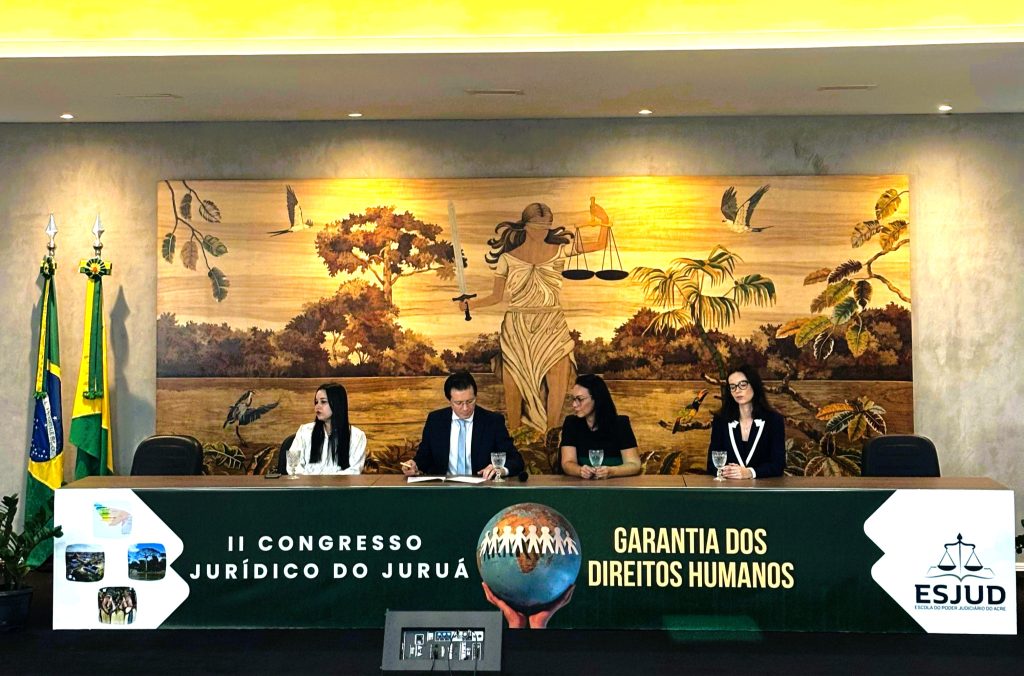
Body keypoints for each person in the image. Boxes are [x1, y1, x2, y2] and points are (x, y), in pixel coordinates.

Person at [459, 203, 609, 434]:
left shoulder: (561, 251)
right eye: (537, 227)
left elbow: (600, 244)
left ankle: (552, 435)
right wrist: (471, 304)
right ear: (525, 226)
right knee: (514, 383)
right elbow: (497, 296)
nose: (541, 232)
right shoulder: (507, 258)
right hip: (517, 326)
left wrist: (604, 221)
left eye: (546, 227)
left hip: (551, 323)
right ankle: (515, 436)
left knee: (558, 376)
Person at [402, 371, 524, 480]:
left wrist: (500, 469)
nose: (465, 408)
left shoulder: (492, 421)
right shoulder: (436, 421)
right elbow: (424, 458)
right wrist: (414, 465)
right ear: (449, 401)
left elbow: (516, 460)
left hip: (481, 490)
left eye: (470, 401)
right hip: (443, 490)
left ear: (476, 396)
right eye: (459, 403)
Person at [706, 364, 786, 479]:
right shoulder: (721, 420)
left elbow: (778, 465)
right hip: (729, 487)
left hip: (763, 488)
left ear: (754, 385)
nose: (737, 390)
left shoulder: (773, 420)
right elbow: (711, 464)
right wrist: (728, 472)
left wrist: (749, 472)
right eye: (732, 387)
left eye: (742, 385)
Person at [559, 374, 642, 479]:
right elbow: (567, 463)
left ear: (597, 398)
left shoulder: (620, 424)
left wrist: (612, 471)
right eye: (574, 399)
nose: (574, 405)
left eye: (580, 399)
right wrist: (579, 471)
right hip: (581, 485)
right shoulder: (571, 424)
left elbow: (634, 464)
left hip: (616, 485)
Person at [288, 383, 366, 475]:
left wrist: (326, 481)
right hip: (308, 483)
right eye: (316, 402)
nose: (317, 406)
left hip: (340, 484)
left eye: (323, 402)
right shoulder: (304, 431)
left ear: (337, 404)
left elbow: (354, 471)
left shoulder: (357, 436)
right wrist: (312, 481)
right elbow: (292, 465)